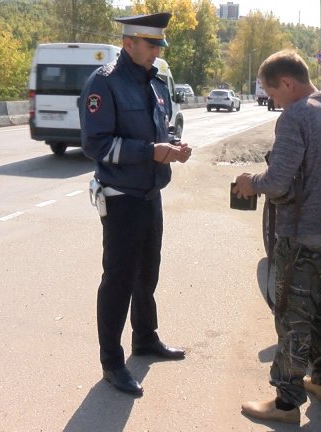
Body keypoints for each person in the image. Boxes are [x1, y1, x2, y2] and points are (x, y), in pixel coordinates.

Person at [232, 50, 321, 424]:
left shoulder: (295, 117)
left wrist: (251, 183)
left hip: (301, 241)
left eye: (272, 92)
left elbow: (279, 181)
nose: (272, 100)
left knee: (292, 318)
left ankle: (286, 403)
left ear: (287, 83)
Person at [79, 12, 192, 398]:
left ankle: (146, 338)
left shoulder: (156, 81)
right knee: (119, 281)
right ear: (129, 44)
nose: (158, 51)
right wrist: (151, 151)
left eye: (160, 45)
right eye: (152, 44)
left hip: (150, 194)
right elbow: (96, 145)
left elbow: (164, 124)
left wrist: (173, 144)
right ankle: (112, 362)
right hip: (122, 198)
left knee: (148, 274)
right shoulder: (105, 83)